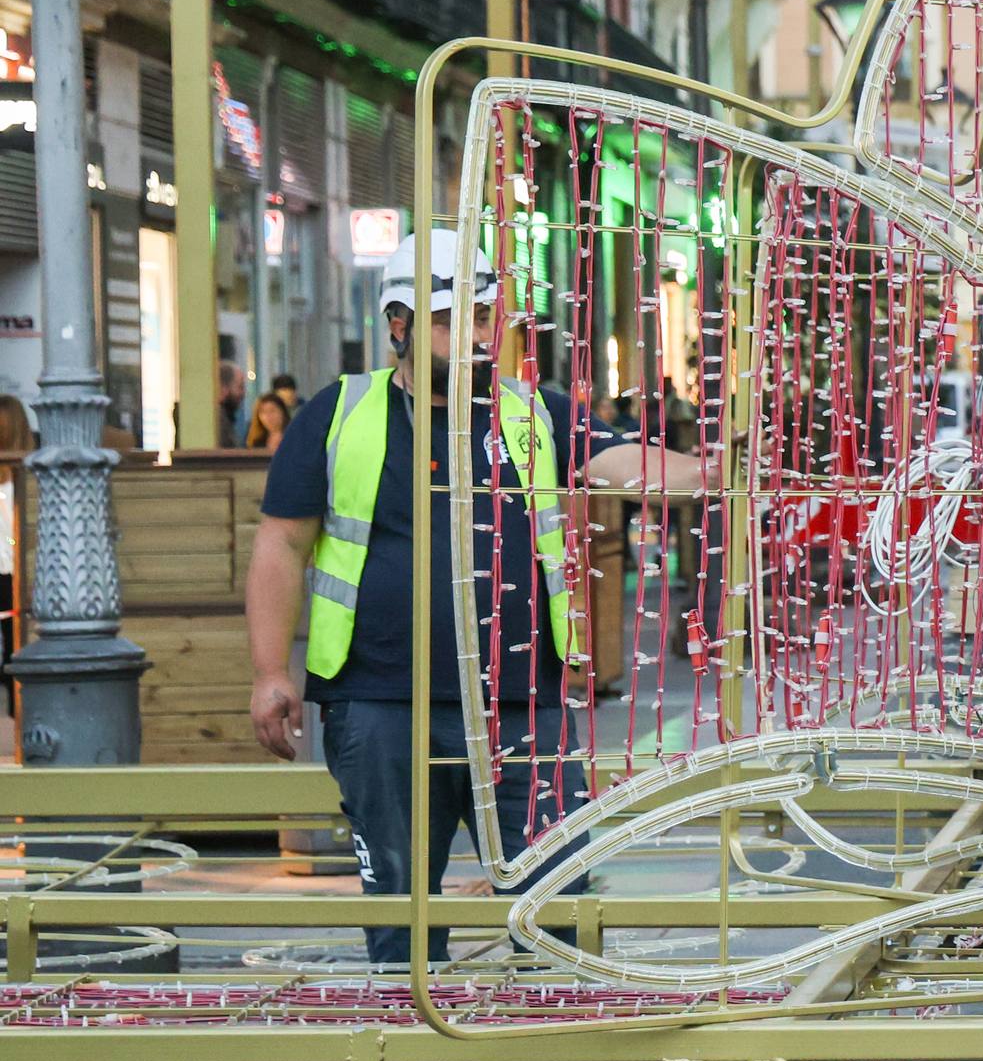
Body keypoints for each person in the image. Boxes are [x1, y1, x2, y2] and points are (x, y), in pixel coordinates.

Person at [246, 229, 704, 967]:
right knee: (401, 920)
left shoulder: (532, 412)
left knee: (558, 909)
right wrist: (271, 672)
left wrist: (721, 466)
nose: (478, 334)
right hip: (381, 704)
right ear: (398, 323)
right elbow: (281, 545)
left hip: (524, 702)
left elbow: (626, 462)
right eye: (452, 320)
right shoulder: (338, 414)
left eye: (486, 316)